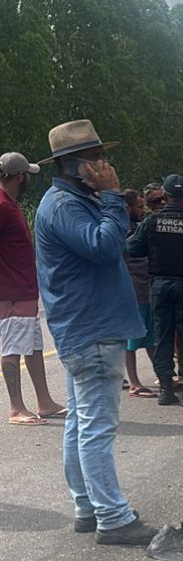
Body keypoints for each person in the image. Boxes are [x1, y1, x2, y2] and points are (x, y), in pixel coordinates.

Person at [32, 119, 155, 545]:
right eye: (95, 157)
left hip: (85, 328)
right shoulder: (66, 205)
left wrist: (104, 199)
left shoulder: (70, 199)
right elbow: (105, 248)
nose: (104, 163)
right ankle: (112, 517)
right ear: (71, 164)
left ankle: (87, 506)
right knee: (96, 427)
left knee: (81, 424)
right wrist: (114, 197)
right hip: (92, 329)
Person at [129, 175, 183, 407]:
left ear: (165, 196)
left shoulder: (151, 222)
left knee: (163, 337)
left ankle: (166, 390)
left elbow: (133, 249)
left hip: (159, 286)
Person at [0, 151, 66, 425]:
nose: (28, 179)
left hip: (24, 290)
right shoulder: (2, 206)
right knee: (12, 348)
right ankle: (16, 407)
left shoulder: (9, 204)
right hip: (11, 291)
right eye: (26, 174)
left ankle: (44, 402)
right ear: (19, 176)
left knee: (34, 347)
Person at [119, 187, 157, 398]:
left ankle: (162, 373)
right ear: (128, 207)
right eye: (139, 206)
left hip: (146, 287)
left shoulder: (139, 227)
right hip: (132, 289)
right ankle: (134, 382)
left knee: (150, 336)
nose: (143, 210)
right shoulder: (122, 230)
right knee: (131, 339)